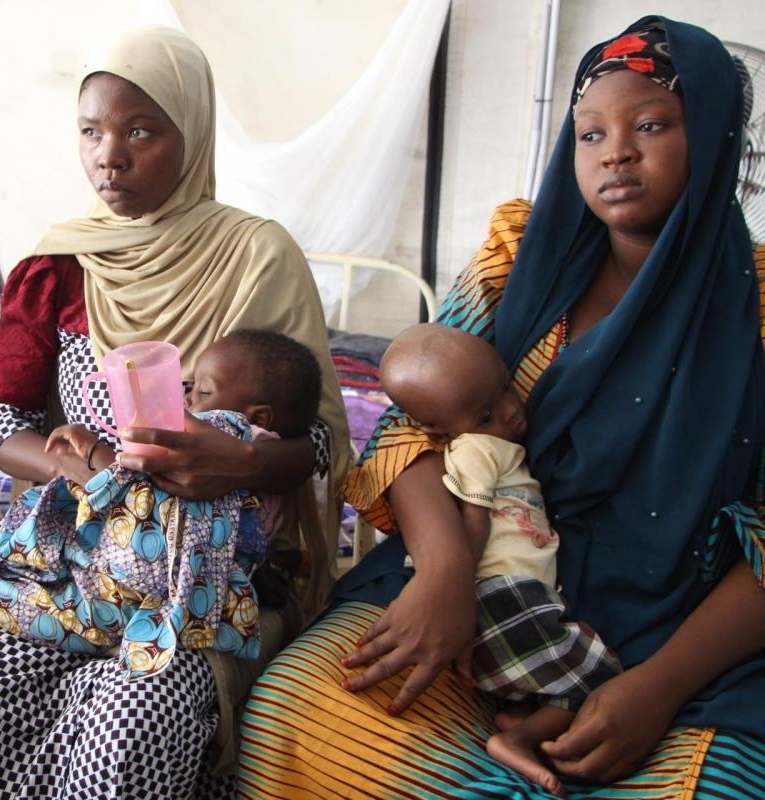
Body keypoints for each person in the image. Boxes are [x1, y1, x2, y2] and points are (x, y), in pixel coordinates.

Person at [238, 17, 765, 799]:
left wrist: (651, 691)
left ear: (718, 136)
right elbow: (407, 419)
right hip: (479, 580)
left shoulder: (757, 310)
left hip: (674, 633)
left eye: (651, 124)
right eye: (590, 134)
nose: (615, 151)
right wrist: (446, 574)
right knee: (297, 716)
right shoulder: (520, 260)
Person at [0, 25, 350, 800]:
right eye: (91, 131)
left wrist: (239, 463)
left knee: (135, 719)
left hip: (212, 576)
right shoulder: (59, 265)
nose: (109, 155)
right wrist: (94, 469)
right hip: (74, 562)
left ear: (194, 131)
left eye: (141, 130)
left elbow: (314, 440)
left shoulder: (255, 255)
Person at [0, 330, 322, 734]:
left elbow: (152, 507)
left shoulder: (230, 436)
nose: (185, 401)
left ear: (258, 414)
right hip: (157, 591)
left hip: (133, 600)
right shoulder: (249, 451)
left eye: (201, 391)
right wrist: (83, 461)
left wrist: (94, 461)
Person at [379, 323, 622, 795]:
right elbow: (474, 523)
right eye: (488, 411)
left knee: (571, 669)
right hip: (500, 592)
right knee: (601, 676)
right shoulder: (476, 449)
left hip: (519, 592)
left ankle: (521, 715)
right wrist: (456, 594)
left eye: (507, 387)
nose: (511, 410)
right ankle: (517, 739)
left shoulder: (490, 440)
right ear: (434, 428)